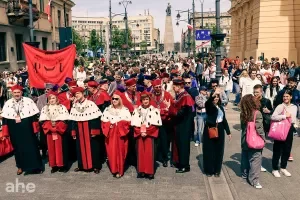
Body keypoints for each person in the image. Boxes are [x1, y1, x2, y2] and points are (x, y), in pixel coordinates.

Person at [1, 85, 43, 175]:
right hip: (14, 128)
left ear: (21, 92)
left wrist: (35, 128)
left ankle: (36, 166)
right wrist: (5, 132)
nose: (17, 94)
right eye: (15, 93)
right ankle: (20, 166)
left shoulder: (28, 101)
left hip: (27, 127)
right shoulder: (8, 103)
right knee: (17, 148)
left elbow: (34, 116)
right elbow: (5, 119)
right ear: (12, 93)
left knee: (31, 146)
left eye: (18, 92)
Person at [69, 87, 103, 174]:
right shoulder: (74, 106)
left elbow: (95, 119)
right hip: (79, 129)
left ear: (83, 93)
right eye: (75, 94)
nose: (77, 95)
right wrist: (73, 132)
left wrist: (94, 131)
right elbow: (73, 120)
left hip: (89, 128)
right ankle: (81, 165)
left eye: (78, 93)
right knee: (80, 148)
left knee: (93, 147)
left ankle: (96, 166)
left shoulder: (91, 104)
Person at [131, 91, 162, 179]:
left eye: (147, 99)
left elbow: (155, 125)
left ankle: (149, 171)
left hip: (149, 135)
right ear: (141, 100)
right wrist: (140, 131)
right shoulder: (137, 110)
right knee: (140, 153)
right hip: (140, 134)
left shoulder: (154, 110)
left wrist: (147, 132)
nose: (145, 101)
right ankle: (141, 171)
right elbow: (134, 124)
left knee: (149, 153)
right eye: (144, 99)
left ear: (149, 100)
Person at [101, 91, 131, 178]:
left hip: (121, 134)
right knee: (112, 152)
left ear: (120, 100)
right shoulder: (107, 109)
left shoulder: (125, 110)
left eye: (116, 99)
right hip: (111, 134)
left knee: (121, 152)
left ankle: (120, 170)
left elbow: (128, 123)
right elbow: (103, 122)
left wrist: (119, 124)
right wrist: (110, 125)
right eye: (113, 98)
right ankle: (114, 169)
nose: (114, 100)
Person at [203, 88, 231, 177]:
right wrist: (213, 94)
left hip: (220, 128)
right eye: (215, 97)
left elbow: (224, 120)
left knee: (219, 150)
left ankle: (217, 170)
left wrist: (228, 132)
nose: (216, 98)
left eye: (217, 97)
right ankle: (209, 170)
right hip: (210, 129)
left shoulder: (221, 107)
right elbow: (207, 103)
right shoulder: (209, 106)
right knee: (209, 150)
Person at [39, 91, 69, 173]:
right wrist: (50, 127)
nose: (52, 100)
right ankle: (54, 165)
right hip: (49, 131)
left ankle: (62, 165)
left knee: (61, 148)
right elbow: (43, 121)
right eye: (50, 98)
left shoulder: (62, 107)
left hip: (59, 131)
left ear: (56, 98)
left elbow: (65, 120)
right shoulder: (45, 108)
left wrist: (57, 127)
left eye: (53, 98)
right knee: (51, 149)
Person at [169, 78, 195, 173]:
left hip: (184, 126)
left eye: (174, 86)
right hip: (179, 125)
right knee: (179, 144)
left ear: (179, 86)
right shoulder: (180, 95)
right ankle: (179, 162)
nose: (173, 88)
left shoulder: (185, 96)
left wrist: (170, 108)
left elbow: (180, 113)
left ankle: (184, 165)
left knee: (183, 145)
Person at [240, 94, 265, 189]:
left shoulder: (243, 113)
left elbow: (243, 128)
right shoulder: (257, 113)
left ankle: (244, 174)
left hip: (245, 139)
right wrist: (263, 138)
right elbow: (259, 128)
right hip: (254, 139)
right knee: (256, 159)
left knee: (245, 156)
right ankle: (254, 180)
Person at [271, 90, 297, 178]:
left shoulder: (294, 107)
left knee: (287, 149)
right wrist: (284, 116)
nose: (285, 98)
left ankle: (283, 167)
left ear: (291, 97)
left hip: (289, 129)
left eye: (287, 96)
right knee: (277, 150)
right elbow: (273, 117)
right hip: (280, 129)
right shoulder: (280, 106)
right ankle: (275, 169)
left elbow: (293, 118)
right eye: (284, 96)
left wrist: (295, 123)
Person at [151, 79, 173, 167]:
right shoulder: (150, 95)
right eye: (156, 87)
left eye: (159, 87)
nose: (158, 89)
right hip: (154, 121)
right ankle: (155, 156)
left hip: (164, 122)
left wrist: (163, 111)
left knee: (164, 140)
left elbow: (170, 107)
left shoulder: (167, 95)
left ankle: (164, 158)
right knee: (155, 141)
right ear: (153, 87)